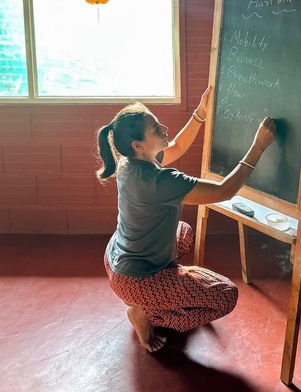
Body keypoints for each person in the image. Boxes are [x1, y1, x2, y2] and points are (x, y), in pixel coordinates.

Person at [96, 87, 276, 352]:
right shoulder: (160, 181)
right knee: (226, 295)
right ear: (138, 145)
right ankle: (147, 313)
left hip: (117, 261)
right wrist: (258, 147)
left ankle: (154, 295)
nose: (164, 128)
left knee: (184, 231)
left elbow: (178, 145)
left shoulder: (129, 162)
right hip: (135, 279)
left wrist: (200, 114)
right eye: (156, 128)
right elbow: (224, 191)